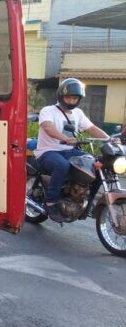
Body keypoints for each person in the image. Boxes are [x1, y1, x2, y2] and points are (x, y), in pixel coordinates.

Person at [34, 78, 112, 222]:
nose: (71, 101)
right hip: (48, 151)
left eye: (74, 98)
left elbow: (92, 128)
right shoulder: (48, 110)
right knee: (61, 165)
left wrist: (110, 139)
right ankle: (51, 203)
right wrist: (64, 138)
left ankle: (86, 201)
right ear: (61, 96)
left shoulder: (78, 113)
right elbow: (48, 127)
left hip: (69, 151)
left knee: (97, 165)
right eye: (68, 97)